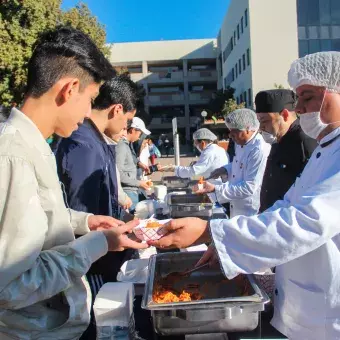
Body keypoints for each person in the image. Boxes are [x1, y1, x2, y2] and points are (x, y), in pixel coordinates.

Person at [149, 51, 340, 340]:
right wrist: (226, 242)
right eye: (298, 98)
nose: (299, 108)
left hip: (326, 306)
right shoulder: (327, 147)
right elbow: (288, 205)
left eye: (309, 97)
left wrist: (211, 233)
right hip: (301, 289)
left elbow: (305, 219)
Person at [0, 27, 147, 340]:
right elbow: (10, 284)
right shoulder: (14, 156)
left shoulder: (33, 145)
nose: (87, 113)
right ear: (69, 89)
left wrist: (86, 221)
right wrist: (99, 243)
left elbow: (40, 217)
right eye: (90, 99)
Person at [54, 75, 139, 322]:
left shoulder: (97, 140)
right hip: (92, 262)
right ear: (117, 109)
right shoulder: (84, 144)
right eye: (128, 121)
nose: (126, 128)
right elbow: (82, 210)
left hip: (101, 251)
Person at [196, 110, 270, 217]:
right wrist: (225, 169)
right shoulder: (240, 142)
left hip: (250, 209)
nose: (230, 135)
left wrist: (215, 189)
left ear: (248, 129)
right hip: (236, 204)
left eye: (233, 131)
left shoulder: (259, 149)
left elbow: (249, 187)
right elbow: (239, 164)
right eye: (229, 130)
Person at [255, 89, 317, 212]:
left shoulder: (304, 140)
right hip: (270, 218)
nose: (261, 127)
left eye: (265, 121)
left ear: (284, 115)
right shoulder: (277, 140)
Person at [116, 117, 152, 212]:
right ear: (132, 130)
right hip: (127, 192)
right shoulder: (122, 146)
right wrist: (139, 183)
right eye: (139, 133)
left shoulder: (127, 145)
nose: (139, 137)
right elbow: (118, 173)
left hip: (131, 191)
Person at [165, 128, 229, 179]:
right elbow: (209, 166)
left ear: (202, 143)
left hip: (216, 186)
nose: (195, 146)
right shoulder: (219, 149)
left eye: (195, 143)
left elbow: (194, 171)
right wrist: (198, 163)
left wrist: (174, 169)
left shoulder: (209, 152)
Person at [105, 127, 133, 212]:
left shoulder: (110, 146)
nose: (125, 134)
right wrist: (121, 197)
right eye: (123, 129)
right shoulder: (121, 145)